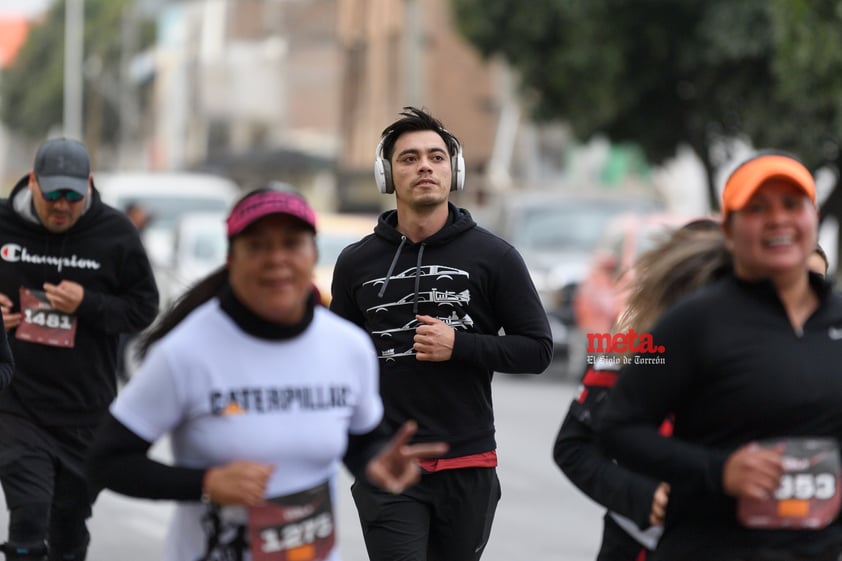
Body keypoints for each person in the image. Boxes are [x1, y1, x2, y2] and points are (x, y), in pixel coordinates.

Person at [86, 186, 448, 561]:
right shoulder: (185, 353)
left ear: (313, 253)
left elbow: (361, 440)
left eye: (292, 243)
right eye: (257, 246)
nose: (276, 259)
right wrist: (206, 483)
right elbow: (107, 461)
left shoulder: (348, 346)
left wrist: (375, 462)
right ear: (231, 258)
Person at [329, 106, 553, 561]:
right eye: (409, 158)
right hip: (389, 463)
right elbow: (338, 360)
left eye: (436, 156)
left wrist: (461, 345)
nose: (425, 166)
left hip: (468, 462)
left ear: (454, 171)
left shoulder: (496, 257)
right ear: (387, 175)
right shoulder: (356, 263)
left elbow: (538, 350)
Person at [598, 152, 842, 561]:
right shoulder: (691, 323)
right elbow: (616, 428)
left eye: (791, 204)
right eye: (757, 207)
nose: (778, 218)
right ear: (729, 231)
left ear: (812, 218)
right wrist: (718, 470)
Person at [0, 138, 159, 561]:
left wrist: (87, 304)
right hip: (17, 405)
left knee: (68, 523)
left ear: (88, 186)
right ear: (32, 182)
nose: (62, 205)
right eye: (53, 194)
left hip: (85, 410)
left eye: (73, 195)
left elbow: (145, 309)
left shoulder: (115, 233)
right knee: (29, 512)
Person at [553, 218, 732, 561]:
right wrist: (642, 495)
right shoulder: (633, 346)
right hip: (635, 542)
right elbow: (572, 447)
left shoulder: (763, 346)